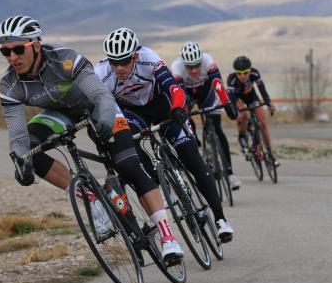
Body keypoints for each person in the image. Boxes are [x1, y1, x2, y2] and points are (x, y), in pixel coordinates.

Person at [0, 15, 183, 264]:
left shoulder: (64, 58)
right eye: (5, 52)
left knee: (128, 164)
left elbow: (100, 94)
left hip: (96, 107)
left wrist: (107, 119)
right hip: (60, 115)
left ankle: (168, 236)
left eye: (18, 49)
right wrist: (21, 162)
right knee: (29, 150)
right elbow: (18, 135)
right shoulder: (9, 85)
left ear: (36, 45)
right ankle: (92, 199)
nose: (12, 57)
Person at [95, 27, 234, 243]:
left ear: (135, 55)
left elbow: (174, 88)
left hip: (161, 105)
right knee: (131, 147)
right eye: (114, 62)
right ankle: (154, 180)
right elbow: (100, 107)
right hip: (132, 113)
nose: (119, 67)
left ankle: (220, 219)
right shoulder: (102, 73)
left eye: (124, 61)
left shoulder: (149, 58)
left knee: (191, 157)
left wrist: (179, 107)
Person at [170, 42, 241, 191]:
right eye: (190, 67)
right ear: (184, 64)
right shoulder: (176, 68)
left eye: (197, 65)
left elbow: (217, 83)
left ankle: (229, 173)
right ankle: (195, 138)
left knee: (217, 127)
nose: (194, 70)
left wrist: (227, 104)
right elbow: (179, 95)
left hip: (206, 92)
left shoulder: (208, 60)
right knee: (186, 117)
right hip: (187, 94)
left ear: (201, 60)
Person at [227, 55, 279, 166]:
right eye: (239, 73)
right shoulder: (231, 79)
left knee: (263, 122)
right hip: (238, 98)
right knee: (244, 114)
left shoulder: (254, 73)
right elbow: (231, 98)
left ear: (249, 70)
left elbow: (262, 89)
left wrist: (268, 103)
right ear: (235, 72)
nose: (243, 76)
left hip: (251, 97)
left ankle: (269, 152)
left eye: (245, 72)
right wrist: (237, 112)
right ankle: (242, 136)